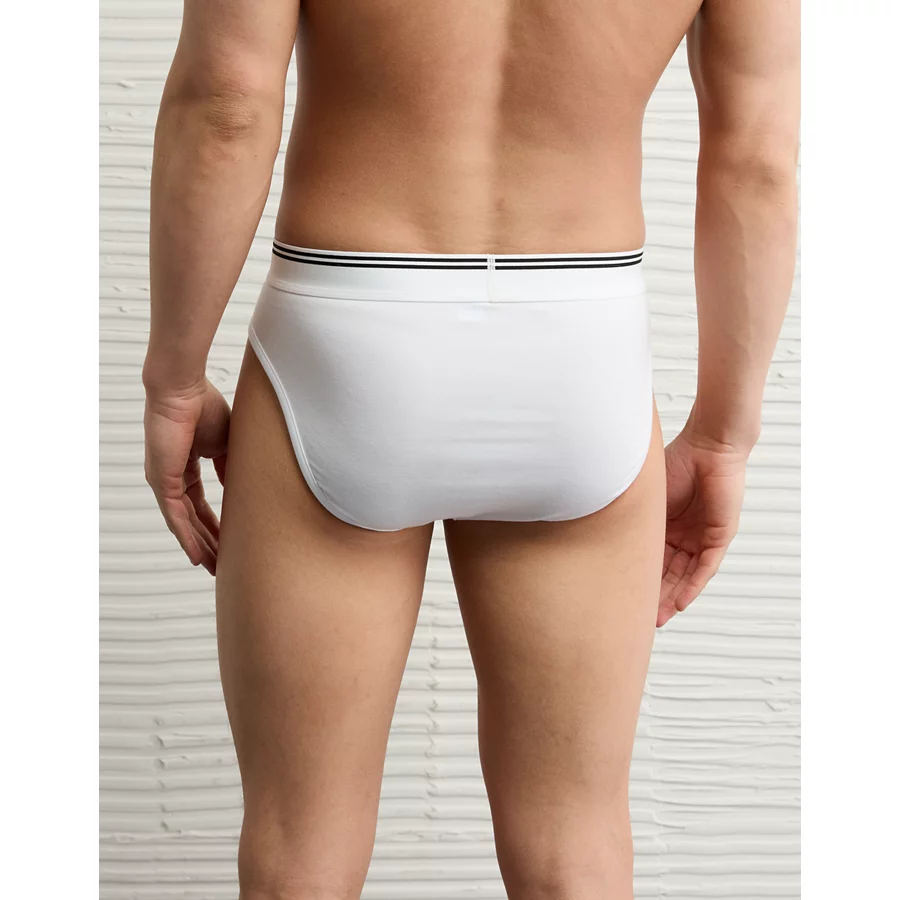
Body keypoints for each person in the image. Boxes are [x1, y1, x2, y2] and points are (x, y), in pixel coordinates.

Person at [141, 0, 798, 897]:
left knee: (301, 854)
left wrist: (174, 377)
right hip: (578, 339)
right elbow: (757, 160)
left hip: (349, 324)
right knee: (572, 846)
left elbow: (227, 103)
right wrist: (725, 432)